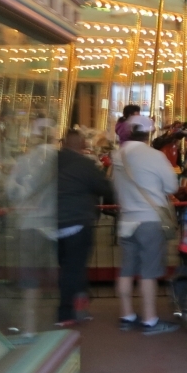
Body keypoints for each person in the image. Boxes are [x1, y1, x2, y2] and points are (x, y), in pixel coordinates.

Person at [112, 115, 179, 335]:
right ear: (149, 134)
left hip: (126, 220)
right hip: (149, 219)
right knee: (148, 271)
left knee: (126, 269)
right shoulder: (155, 156)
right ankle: (150, 320)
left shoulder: (117, 155)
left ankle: (126, 314)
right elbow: (172, 186)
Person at [55, 130, 113, 327]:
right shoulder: (85, 164)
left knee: (67, 266)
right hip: (77, 221)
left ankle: (80, 307)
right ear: (81, 145)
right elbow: (104, 188)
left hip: (55, 222)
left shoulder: (52, 162)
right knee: (75, 268)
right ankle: (66, 313)